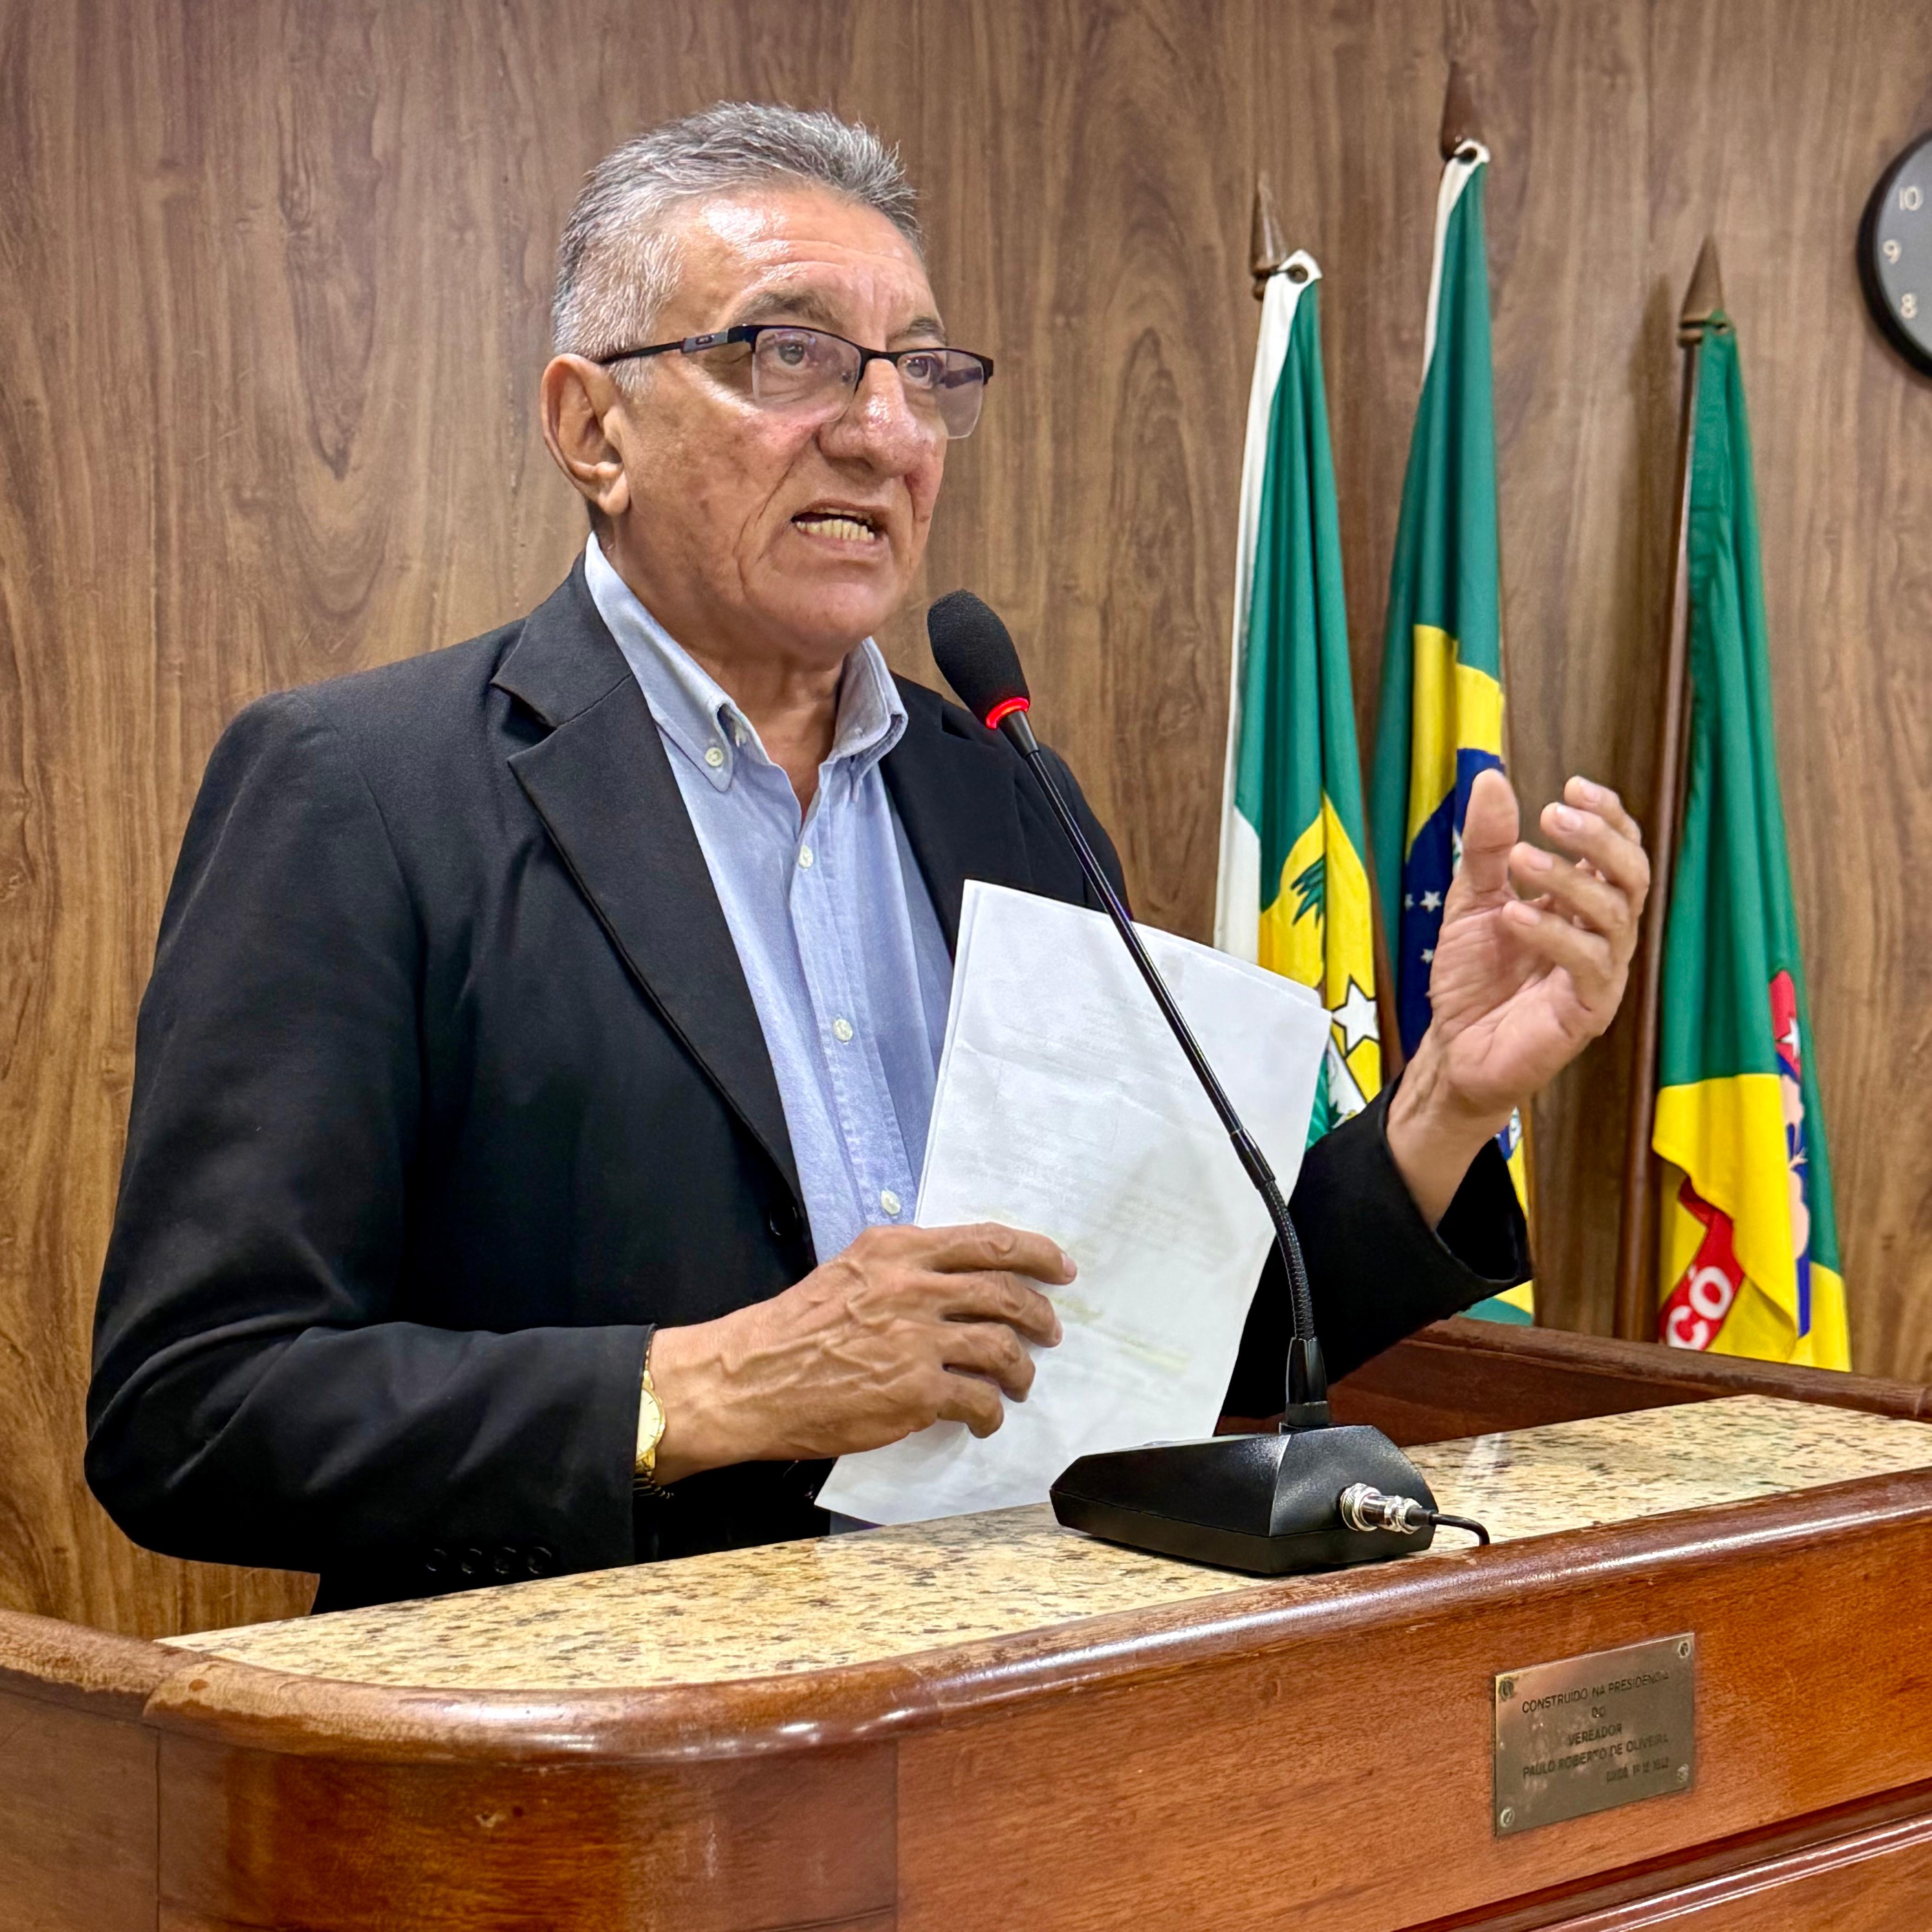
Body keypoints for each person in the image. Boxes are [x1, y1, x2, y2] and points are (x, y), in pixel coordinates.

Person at [86, 104, 1648, 1612]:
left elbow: (1162, 1356)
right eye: (790, 354)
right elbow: (195, 1409)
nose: (883, 429)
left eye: (921, 372)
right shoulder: (364, 789)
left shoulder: (1004, 792)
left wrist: (1448, 1097)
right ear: (591, 426)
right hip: (593, 1796)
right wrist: (702, 1388)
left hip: (1004, 1731)